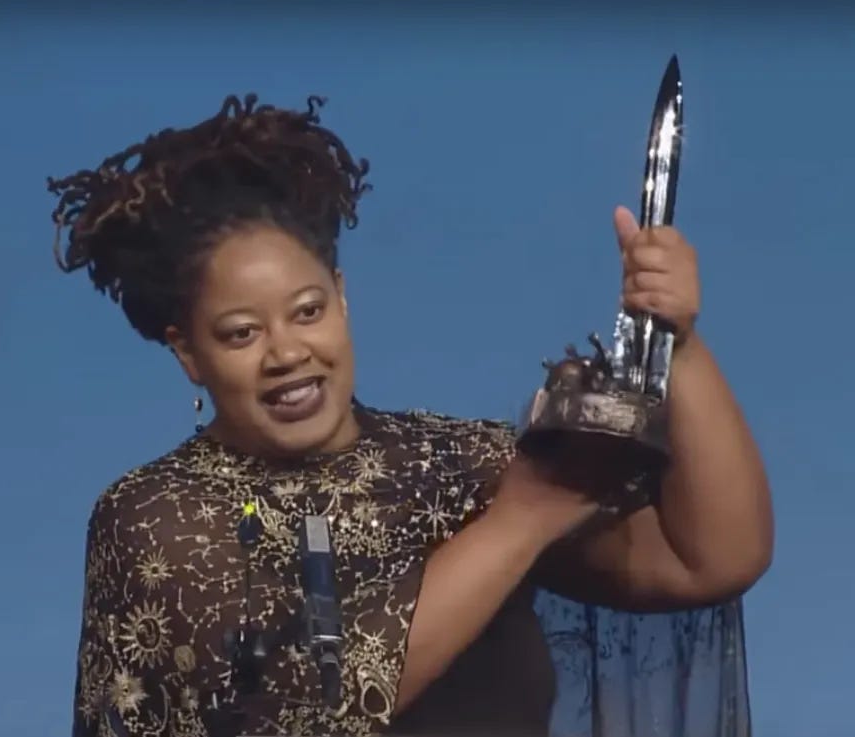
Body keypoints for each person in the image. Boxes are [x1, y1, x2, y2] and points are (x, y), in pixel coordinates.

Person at [46, 94, 773, 737]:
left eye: (308, 311)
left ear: (341, 296)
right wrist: (520, 523)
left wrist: (677, 339)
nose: (286, 353)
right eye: (241, 333)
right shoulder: (157, 518)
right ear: (188, 352)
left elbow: (714, 559)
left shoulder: (461, 467)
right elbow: (313, 710)